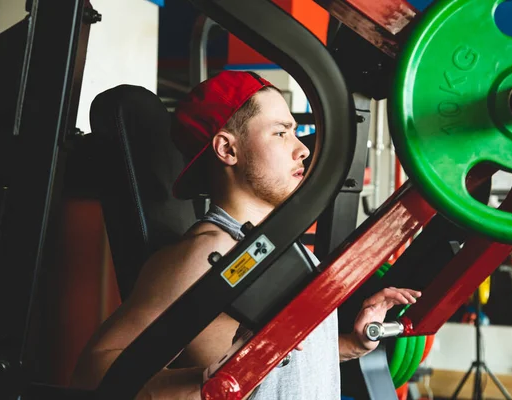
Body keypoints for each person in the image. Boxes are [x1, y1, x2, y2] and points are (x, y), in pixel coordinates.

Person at [71, 70, 421, 399]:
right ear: (228, 149)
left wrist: (351, 345)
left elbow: (283, 365)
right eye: (281, 133)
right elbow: (94, 371)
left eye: (295, 133)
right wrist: (207, 380)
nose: (301, 149)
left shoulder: (276, 247)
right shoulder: (208, 254)